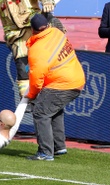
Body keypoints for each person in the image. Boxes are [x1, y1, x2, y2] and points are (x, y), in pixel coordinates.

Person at [0, 0, 64, 98]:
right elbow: (6, 25)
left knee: (45, 57)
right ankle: (27, 97)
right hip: (19, 37)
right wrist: (10, 40)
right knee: (22, 67)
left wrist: (48, 1)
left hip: (36, 28)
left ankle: (54, 29)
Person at [25, 14, 85, 161]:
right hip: (76, 79)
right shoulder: (57, 32)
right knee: (52, 109)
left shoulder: (37, 50)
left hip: (63, 83)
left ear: (32, 30)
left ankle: (45, 152)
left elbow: (36, 78)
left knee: (40, 112)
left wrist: (31, 95)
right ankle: (59, 146)